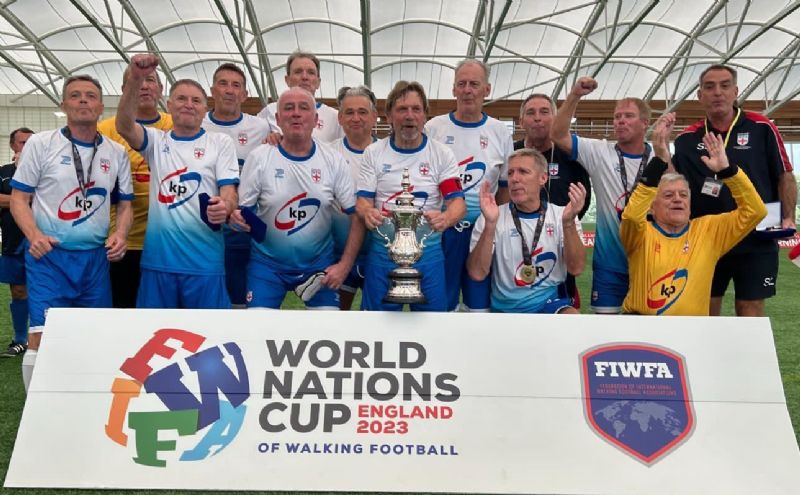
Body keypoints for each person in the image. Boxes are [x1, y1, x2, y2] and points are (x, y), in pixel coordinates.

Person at [10, 75, 133, 391]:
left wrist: (120, 234)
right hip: (49, 257)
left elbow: (125, 207)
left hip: (94, 260)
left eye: (90, 96)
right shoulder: (41, 144)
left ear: (100, 107)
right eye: (75, 95)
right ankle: (35, 418)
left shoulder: (116, 153)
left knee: (95, 336)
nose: (83, 100)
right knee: (41, 337)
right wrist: (34, 234)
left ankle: (87, 405)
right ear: (63, 104)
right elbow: (19, 200)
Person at [116, 53, 239, 309]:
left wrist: (224, 207)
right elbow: (125, 126)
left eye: (196, 100)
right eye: (181, 99)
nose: (188, 105)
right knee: (153, 336)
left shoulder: (219, 143)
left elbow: (229, 191)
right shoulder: (157, 142)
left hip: (205, 262)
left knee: (210, 336)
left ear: (205, 109)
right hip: (159, 262)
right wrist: (135, 80)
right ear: (169, 105)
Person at [672, 64, 796, 317]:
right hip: (706, 237)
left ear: (735, 91)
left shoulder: (761, 127)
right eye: (710, 87)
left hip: (757, 234)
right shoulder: (687, 138)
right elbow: (676, 185)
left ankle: (748, 358)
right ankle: (705, 358)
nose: (717, 92)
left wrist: (788, 217)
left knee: (749, 309)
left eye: (725, 85)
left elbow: (785, 175)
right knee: (704, 308)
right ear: (700, 95)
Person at [230, 87, 364, 310]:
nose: (296, 113)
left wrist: (344, 266)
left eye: (304, 108)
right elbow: (242, 213)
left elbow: (357, 216)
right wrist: (236, 219)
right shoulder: (260, 157)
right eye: (288, 108)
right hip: (267, 266)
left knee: (328, 331)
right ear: (278, 119)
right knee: (256, 331)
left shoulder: (332, 159)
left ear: (315, 119)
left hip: (318, 266)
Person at [622, 114, 767, 316]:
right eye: (668, 195)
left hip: (693, 336)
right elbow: (631, 216)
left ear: (690, 205)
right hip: (643, 330)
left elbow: (756, 211)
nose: (677, 199)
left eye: (683, 195)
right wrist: (660, 160)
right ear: (651, 207)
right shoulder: (639, 233)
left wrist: (728, 172)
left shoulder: (708, 231)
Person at [356, 80, 466, 311]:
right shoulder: (374, 153)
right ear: (389, 116)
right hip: (383, 251)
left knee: (433, 325)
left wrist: (446, 218)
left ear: (425, 115)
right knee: (376, 326)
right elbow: (363, 200)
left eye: (416, 109)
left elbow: (457, 202)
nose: (409, 116)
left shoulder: (441, 154)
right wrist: (367, 211)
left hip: (428, 253)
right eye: (402, 109)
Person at [551, 77, 652, 314]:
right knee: (605, 329)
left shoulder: (660, 159)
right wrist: (575, 95)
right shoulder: (599, 151)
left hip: (649, 263)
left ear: (645, 123)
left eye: (628, 116)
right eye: (617, 116)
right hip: (609, 266)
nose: (620, 121)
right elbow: (557, 133)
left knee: (649, 331)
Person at [425, 59, 512, 312]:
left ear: (487, 89)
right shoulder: (434, 128)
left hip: (482, 233)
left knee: (479, 309)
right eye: (461, 84)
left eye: (474, 84)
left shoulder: (500, 132)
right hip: (443, 234)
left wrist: (499, 230)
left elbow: (504, 189)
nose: (467, 90)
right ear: (453, 89)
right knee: (443, 307)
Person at [466, 148, 586, 313]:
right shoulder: (491, 216)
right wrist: (490, 225)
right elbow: (477, 273)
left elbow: (576, 268)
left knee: (572, 318)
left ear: (543, 178)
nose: (514, 179)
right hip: (505, 310)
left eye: (523, 172)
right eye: (510, 173)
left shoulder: (562, 215)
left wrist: (568, 223)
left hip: (549, 304)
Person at [97, 66, 173, 308]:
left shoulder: (176, 125)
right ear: (124, 90)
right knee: (122, 309)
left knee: (163, 314)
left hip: (168, 242)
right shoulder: (105, 130)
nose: (144, 85)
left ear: (161, 90)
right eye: (136, 81)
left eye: (150, 80)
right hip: (120, 241)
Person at [202, 63, 270, 308]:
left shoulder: (260, 127)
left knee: (241, 292)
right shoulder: (198, 124)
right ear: (212, 90)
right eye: (223, 83)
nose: (229, 90)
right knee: (208, 291)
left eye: (236, 85)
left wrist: (276, 139)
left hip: (242, 223)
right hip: (205, 225)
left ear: (244, 94)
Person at [516, 93, 592, 308]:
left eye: (544, 112)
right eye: (530, 113)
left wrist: (564, 228)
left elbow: (581, 198)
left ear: (555, 119)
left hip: (558, 241)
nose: (537, 118)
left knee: (564, 305)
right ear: (522, 122)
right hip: (514, 240)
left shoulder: (569, 155)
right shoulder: (511, 152)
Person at [330, 85, 378, 310]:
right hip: (337, 253)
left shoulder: (389, 153)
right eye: (349, 112)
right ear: (340, 118)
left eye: (362, 112)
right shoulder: (326, 154)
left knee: (377, 320)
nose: (356, 118)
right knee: (337, 319)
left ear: (375, 116)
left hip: (378, 253)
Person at [258, 50, 343, 144]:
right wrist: (267, 139)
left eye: (311, 72)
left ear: (318, 82)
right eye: (298, 72)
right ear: (287, 80)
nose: (304, 77)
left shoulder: (334, 117)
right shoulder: (270, 111)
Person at [0, 128, 34, 358]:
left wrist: (11, 200)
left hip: (44, 239)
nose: (27, 146)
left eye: (31, 142)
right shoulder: (4, 173)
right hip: (13, 239)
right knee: (19, 290)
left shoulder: (46, 170)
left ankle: (49, 337)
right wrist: (22, 199)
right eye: (22, 142)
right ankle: (21, 339)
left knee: (50, 290)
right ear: (13, 146)